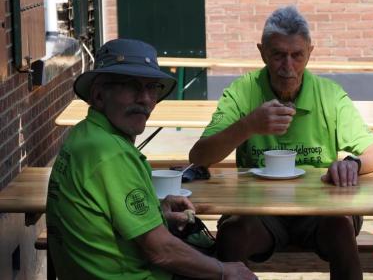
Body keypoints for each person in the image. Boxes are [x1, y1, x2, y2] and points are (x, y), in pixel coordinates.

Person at [189, 6, 373, 280]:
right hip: (258, 209)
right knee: (233, 232)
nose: (288, 67)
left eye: (297, 56)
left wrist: (353, 164)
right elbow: (200, 156)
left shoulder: (328, 95)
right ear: (262, 53)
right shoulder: (243, 91)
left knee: (341, 224)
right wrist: (248, 125)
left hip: (321, 208)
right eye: (278, 55)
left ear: (310, 51)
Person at [46, 39, 256, 280]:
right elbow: (161, 251)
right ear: (99, 95)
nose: (145, 99)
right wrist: (224, 271)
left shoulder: (85, 134)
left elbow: (102, 222)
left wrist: (157, 213)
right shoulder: (110, 154)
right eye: (131, 86)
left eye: (152, 87)